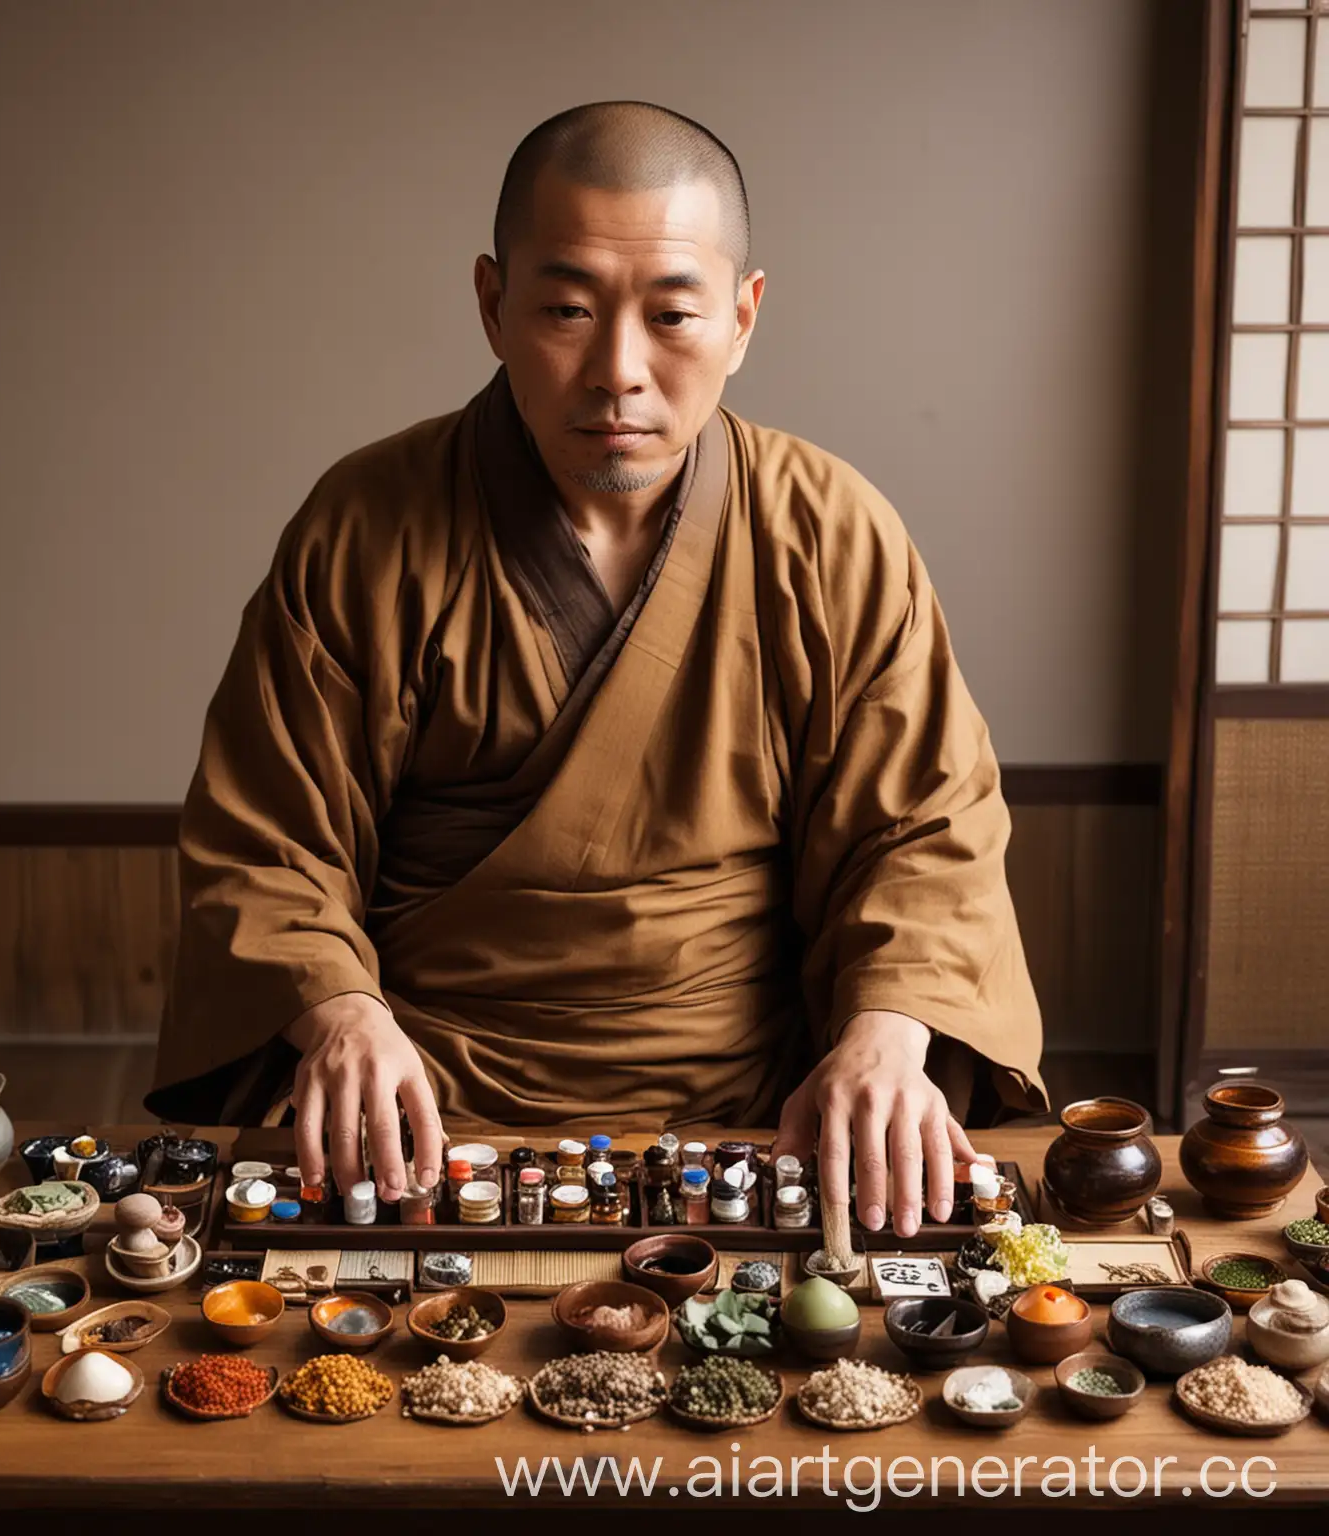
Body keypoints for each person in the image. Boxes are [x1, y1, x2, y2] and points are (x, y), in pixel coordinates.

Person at [148, 101, 1047, 1239]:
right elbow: (263, 839)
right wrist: (336, 1017)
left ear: (743, 316)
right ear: (492, 305)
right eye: (566, 310)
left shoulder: (830, 531)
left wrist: (886, 1034)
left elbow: (927, 833)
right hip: (424, 1111)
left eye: (673, 314)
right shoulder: (366, 527)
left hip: (760, 1117)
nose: (618, 372)